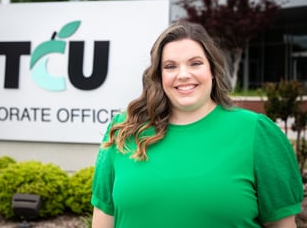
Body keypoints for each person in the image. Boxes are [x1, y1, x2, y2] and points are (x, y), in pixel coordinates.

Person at [90, 20, 304, 228]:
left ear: (212, 69)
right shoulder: (124, 130)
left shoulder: (256, 132)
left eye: (195, 63)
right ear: (159, 75)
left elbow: (281, 223)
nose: (183, 75)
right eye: (170, 66)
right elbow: (103, 218)